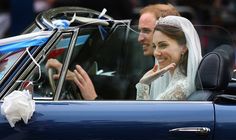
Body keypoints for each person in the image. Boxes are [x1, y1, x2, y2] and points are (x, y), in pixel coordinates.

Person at [46, 3, 181, 100]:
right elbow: (125, 83)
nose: (139, 38)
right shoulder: (153, 66)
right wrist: (74, 77)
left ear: (164, 34)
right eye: (139, 30)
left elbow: (132, 121)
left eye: (146, 31)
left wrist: (94, 99)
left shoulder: (169, 74)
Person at [136, 15, 202, 100]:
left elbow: (145, 113)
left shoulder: (180, 88)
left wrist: (143, 84)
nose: (156, 53)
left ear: (184, 47)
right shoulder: (178, 82)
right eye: (154, 46)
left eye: (163, 45)